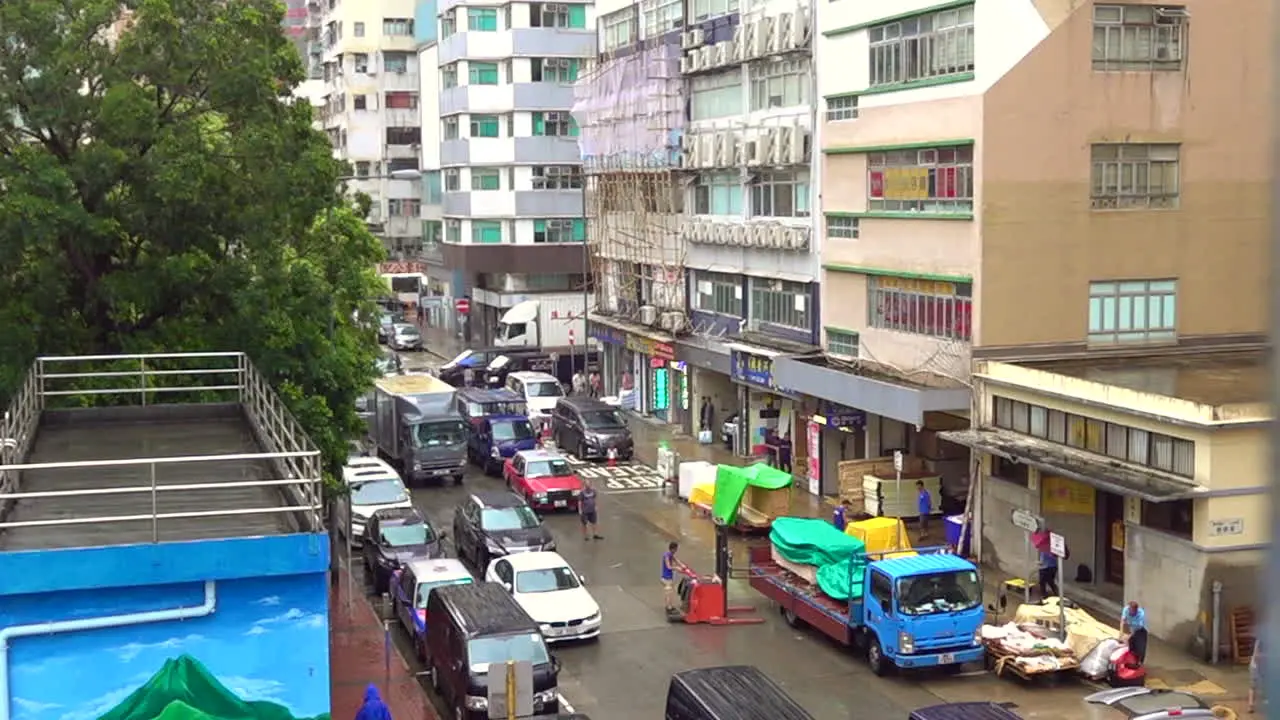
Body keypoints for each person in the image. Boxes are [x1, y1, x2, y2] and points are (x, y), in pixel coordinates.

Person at [662, 541, 690, 611]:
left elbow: (676, 560)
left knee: (670, 592)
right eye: (676, 549)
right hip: (666, 577)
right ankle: (668, 607)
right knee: (669, 592)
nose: (676, 551)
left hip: (669, 577)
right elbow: (668, 566)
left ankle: (670, 605)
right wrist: (677, 568)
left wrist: (682, 565)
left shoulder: (671, 554)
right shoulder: (666, 556)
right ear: (672, 549)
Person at [1120, 600, 1149, 665]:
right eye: (1130, 610)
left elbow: (1137, 628)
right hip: (1132, 627)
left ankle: (1140, 664)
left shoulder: (1141, 614)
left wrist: (1128, 637)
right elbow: (1123, 621)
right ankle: (1130, 660)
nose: (1131, 613)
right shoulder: (1126, 609)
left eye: (1133, 612)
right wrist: (1121, 633)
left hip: (1141, 630)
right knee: (1130, 646)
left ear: (1136, 610)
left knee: (1140, 649)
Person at [1250, 633, 1264, 713]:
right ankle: (1251, 705)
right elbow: (1256, 656)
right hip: (1256, 666)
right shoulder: (1260, 641)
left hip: (1260, 665)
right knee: (1253, 685)